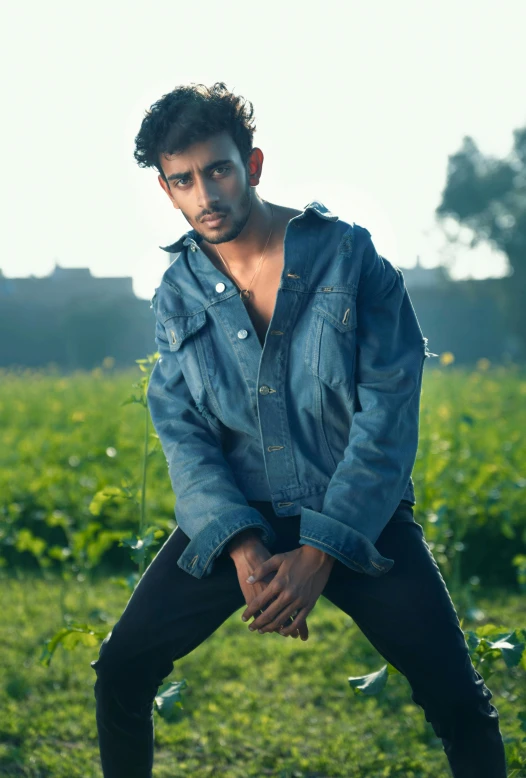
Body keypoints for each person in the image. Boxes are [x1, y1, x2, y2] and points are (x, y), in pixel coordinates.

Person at [90, 81, 507, 777]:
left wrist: (320, 554)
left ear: (250, 165)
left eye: (218, 170)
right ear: (167, 191)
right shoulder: (177, 292)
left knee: (459, 704)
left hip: (355, 512)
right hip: (233, 518)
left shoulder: (348, 258)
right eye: (184, 180)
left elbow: (388, 413)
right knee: (120, 674)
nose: (205, 195)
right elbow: (184, 432)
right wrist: (243, 546)